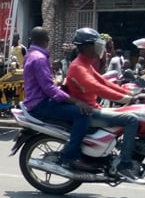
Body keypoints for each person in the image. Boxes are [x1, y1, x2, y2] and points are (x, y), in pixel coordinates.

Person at [65, 27, 143, 183]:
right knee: (131, 119)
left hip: (94, 107)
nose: (99, 48)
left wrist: (129, 95)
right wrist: (126, 98)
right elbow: (97, 87)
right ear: (85, 46)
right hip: (89, 112)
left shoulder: (86, 63)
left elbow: (104, 82)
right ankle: (124, 164)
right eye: (96, 44)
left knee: (129, 112)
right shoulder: (78, 66)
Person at [22, 26, 95, 172]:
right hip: (41, 104)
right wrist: (76, 101)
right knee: (82, 114)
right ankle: (71, 157)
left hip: (39, 101)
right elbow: (49, 89)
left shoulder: (32, 55)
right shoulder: (39, 58)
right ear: (47, 40)